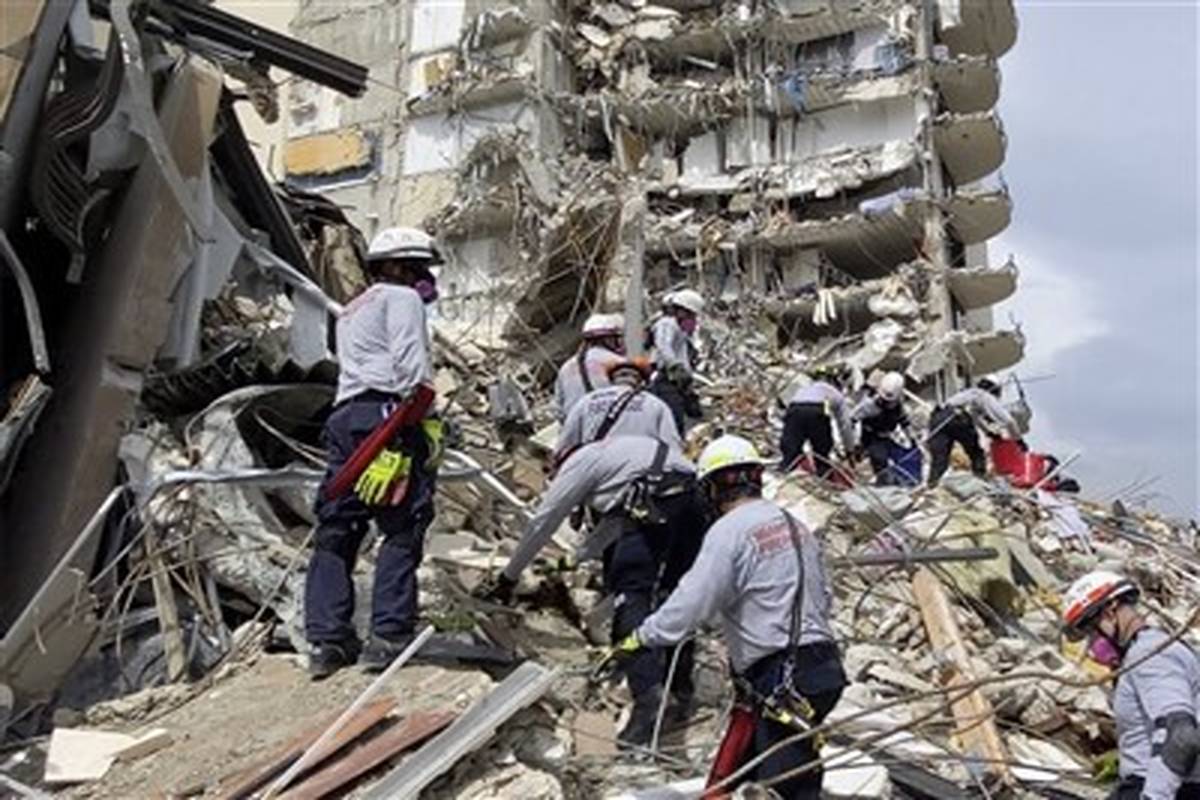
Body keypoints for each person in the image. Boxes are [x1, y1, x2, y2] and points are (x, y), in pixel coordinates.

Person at [620, 435, 845, 797]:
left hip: (780, 677)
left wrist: (642, 637)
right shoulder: (795, 526)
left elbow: (692, 602)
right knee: (744, 777)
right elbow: (823, 595)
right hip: (822, 668)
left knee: (783, 788)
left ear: (711, 489)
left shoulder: (729, 531)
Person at [478, 435, 706, 747]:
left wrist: (508, 576)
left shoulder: (577, 464)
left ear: (555, 463)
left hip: (656, 503)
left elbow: (543, 522)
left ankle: (648, 701)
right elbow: (614, 524)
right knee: (676, 595)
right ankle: (680, 688)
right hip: (691, 498)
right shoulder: (618, 458)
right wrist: (569, 561)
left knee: (631, 597)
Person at [305, 226, 443, 679]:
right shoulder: (401, 299)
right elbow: (411, 368)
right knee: (404, 523)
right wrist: (414, 424)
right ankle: (388, 635)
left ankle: (327, 640)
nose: (427, 280)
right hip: (389, 414)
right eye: (421, 269)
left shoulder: (351, 309)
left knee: (337, 527)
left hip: (345, 416)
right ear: (399, 266)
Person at [1062, 571, 1200, 799]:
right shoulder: (1154, 648)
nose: (1091, 645)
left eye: (1090, 631)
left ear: (1110, 612)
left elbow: (1180, 736)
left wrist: (1154, 796)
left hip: (1166, 789)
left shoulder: (1149, 656)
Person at [554, 357, 681, 464]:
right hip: (639, 467)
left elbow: (564, 446)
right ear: (641, 382)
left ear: (611, 379)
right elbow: (672, 446)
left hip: (596, 466)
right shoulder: (655, 403)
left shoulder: (585, 402)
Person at [927, 378, 1021, 486]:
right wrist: (1019, 440)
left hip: (937, 417)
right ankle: (980, 479)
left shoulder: (969, 394)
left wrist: (989, 433)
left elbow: (975, 417)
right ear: (994, 389)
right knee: (976, 453)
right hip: (957, 418)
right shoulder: (984, 395)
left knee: (939, 458)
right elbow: (1009, 421)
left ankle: (932, 484)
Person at [779, 367, 855, 478]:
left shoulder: (805, 388)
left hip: (794, 409)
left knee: (790, 452)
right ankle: (824, 477)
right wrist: (850, 450)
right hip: (817, 410)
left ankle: (784, 473)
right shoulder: (836, 393)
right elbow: (845, 425)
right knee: (822, 451)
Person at [649, 289, 705, 434]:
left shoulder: (680, 329)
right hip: (668, 379)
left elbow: (682, 352)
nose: (692, 318)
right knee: (673, 418)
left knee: (687, 415)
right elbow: (663, 345)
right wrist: (675, 365)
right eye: (690, 314)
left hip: (679, 380)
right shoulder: (667, 324)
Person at [554, 313, 624, 420]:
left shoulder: (565, 369)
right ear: (607, 339)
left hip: (578, 426)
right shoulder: (618, 362)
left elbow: (559, 410)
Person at [851, 371, 913, 486]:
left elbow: (904, 423)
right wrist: (854, 441)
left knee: (899, 458)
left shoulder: (898, 407)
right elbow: (852, 420)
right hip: (871, 437)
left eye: (891, 402)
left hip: (887, 436)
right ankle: (883, 485)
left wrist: (912, 439)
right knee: (880, 460)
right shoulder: (869, 406)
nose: (889, 404)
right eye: (886, 402)